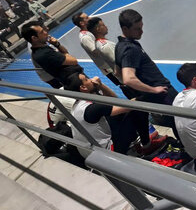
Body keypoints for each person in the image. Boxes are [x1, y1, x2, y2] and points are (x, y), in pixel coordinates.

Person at [65, 72, 166, 156]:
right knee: (137, 110)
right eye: (86, 79)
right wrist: (152, 92)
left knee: (118, 114)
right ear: (83, 87)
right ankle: (146, 146)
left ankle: (138, 144)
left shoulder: (80, 104)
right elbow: (128, 106)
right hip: (107, 153)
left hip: (93, 151)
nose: (91, 79)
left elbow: (114, 100)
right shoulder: (91, 108)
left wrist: (100, 85)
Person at [115, 9, 179, 138]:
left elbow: (118, 72)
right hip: (162, 92)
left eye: (141, 27)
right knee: (180, 121)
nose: (141, 31)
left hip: (157, 92)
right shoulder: (130, 49)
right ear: (125, 29)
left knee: (175, 121)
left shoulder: (119, 46)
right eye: (137, 29)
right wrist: (153, 90)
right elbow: (128, 79)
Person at [21, 21, 83, 85]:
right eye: (42, 32)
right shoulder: (44, 54)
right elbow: (73, 61)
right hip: (75, 81)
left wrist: (57, 44)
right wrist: (62, 53)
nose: (46, 32)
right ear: (34, 38)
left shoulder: (42, 48)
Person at [72, 12, 120, 86]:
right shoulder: (85, 37)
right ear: (81, 23)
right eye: (87, 18)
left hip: (109, 63)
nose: (90, 18)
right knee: (122, 84)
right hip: (107, 66)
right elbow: (96, 51)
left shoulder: (89, 33)